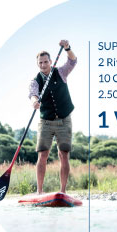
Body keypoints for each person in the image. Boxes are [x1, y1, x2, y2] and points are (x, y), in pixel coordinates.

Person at [29, 39, 77, 194]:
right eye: (40, 63)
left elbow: (73, 61)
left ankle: (62, 191)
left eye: (45, 62)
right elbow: (32, 94)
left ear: (50, 61)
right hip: (46, 121)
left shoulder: (61, 73)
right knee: (42, 155)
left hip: (64, 120)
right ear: (38, 64)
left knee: (64, 155)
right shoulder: (35, 80)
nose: (43, 65)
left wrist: (67, 48)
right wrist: (35, 102)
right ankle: (39, 191)